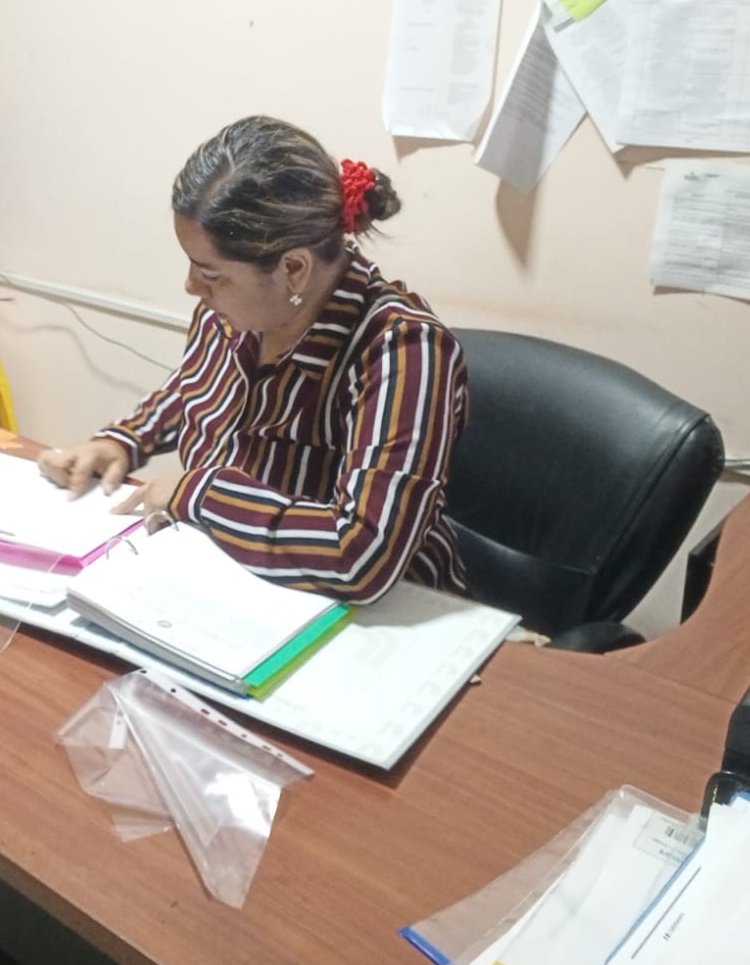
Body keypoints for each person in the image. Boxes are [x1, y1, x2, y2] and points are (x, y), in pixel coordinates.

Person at [39, 115, 467, 603]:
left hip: (365, 613)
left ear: (293, 269)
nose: (192, 287)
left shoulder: (403, 350)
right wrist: (123, 441)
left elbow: (361, 554)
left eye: (210, 273)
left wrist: (199, 493)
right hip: (232, 579)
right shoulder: (229, 315)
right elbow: (192, 392)